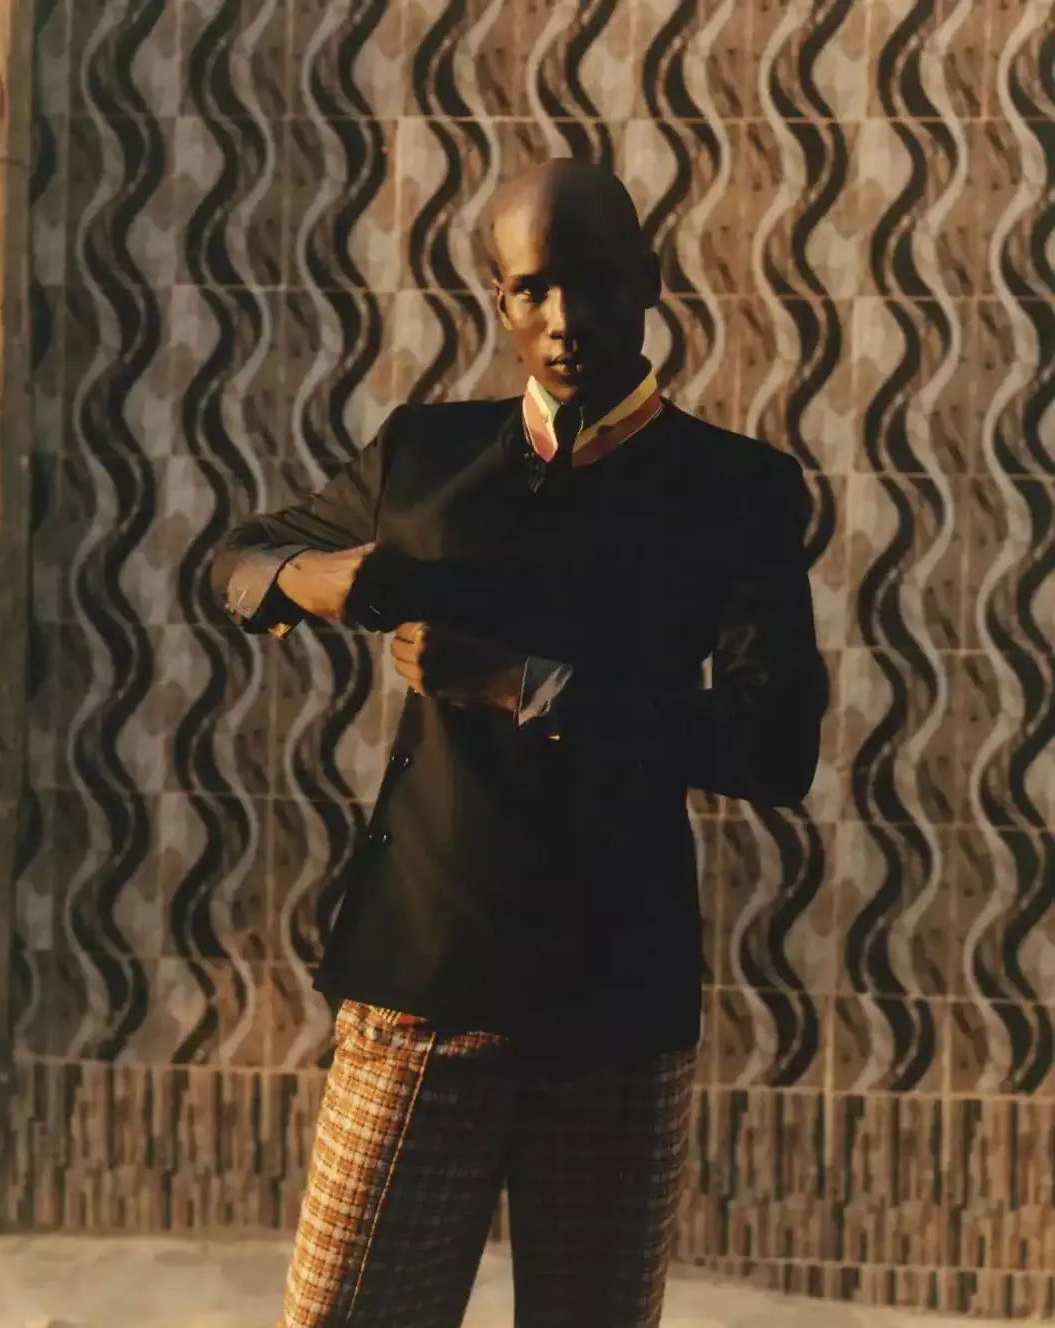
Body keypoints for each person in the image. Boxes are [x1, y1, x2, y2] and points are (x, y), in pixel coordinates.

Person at [210, 159, 828, 1328]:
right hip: (419, 983)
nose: (565, 318)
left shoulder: (734, 488)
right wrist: (310, 575)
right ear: (499, 299)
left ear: (648, 279)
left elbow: (773, 742)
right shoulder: (420, 456)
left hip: (615, 1007)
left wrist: (524, 684)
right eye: (533, 288)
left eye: (592, 280)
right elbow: (238, 557)